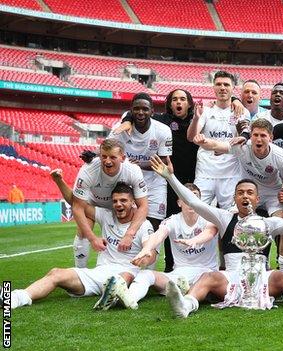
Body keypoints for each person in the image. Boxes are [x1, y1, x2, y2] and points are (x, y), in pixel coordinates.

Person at [148, 156, 283, 318]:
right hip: (231, 278)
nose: (245, 196)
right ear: (234, 198)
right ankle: (186, 306)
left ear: (257, 199)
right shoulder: (224, 218)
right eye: (240, 193)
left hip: (262, 277)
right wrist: (170, 178)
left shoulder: (268, 223)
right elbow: (194, 202)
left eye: (250, 193)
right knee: (208, 276)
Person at [10, 182, 154, 310]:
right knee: (56, 273)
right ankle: (16, 298)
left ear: (133, 202)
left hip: (127, 273)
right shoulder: (106, 215)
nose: (118, 204)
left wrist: (145, 259)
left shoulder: (143, 225)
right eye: (115, 201)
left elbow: (150, 250)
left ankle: (115, 294)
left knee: (125, 276)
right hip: (100, 273)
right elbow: (76, 203)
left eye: (123, 200)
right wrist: (59, 181)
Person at [192, 118, 283, 271]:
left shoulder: (281, 157)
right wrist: (201, 140)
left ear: (271, 138)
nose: (258, 139)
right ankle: (224, 265)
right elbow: (215, 145)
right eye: (255, 135)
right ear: (251, 136)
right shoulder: (242, 147)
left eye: (263, 135)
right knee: (225, 224)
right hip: (248, 192)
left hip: (272, 195)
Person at [113, 89, 199, 272]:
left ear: (189, 103)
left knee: (190, 223)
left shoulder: (198, 120)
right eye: (174, 99)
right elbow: (138, 111)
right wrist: (127, 120)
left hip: (192, 181)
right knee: (165, 224)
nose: (178, 102)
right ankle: (164, 267)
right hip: (167, 180)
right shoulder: (162, 120)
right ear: (169, 103)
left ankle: (192, 264)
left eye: (183, 99)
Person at [125, 183, 219, 307]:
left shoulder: (209, 218)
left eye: (194, 197)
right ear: (179, 202)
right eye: (186, 197)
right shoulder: (172, 220)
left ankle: (188, 293)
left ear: (200, 201)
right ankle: (129, 300)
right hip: (180, 275)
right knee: (145, 274)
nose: (190, 201)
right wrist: (147, 249)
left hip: (205, 274)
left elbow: (210, 232)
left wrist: (194, 241)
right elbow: (159, 234)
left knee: (210, 284)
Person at [71, 139, 148, 268]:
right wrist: (93, 238)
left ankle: (141, 270)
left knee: (143, 227)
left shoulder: (133, 170)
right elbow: (77, 208)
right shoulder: (88, 170)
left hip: (118, 203)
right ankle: (80, 271)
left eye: (113, 157)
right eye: (104, 156)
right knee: (83, 231)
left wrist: (130, 233)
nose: (107, 161)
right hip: (94, 202)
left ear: (123, 158)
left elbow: (143, 206)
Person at [187, 70, 250, 208]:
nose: (222, 87)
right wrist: (197, 118)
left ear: (233, 88)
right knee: (197, 212)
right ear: (213, 87)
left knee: (231, 215)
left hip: (231, 174)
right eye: (218, 84)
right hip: (205, 172)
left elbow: (245, 135)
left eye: (226, 84)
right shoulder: (206, 111)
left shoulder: (241, 111)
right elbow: (191, 137)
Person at [110, 93, 172, 231]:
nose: (140, 112)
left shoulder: (163, 130)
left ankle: (150, 252)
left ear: (152, 111)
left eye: (145, 109)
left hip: (155, 185)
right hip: (127, 183)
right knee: (124, 226)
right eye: (136, 109)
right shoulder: (120, 129)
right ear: (131, 111)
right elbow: (108, 151)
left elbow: (163, 162)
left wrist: (139, 164)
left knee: (153, 226)